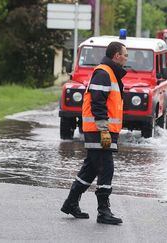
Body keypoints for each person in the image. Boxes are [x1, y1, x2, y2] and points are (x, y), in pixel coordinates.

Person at [61, 41, 128, 225]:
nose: (126, 58)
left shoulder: (109, 73)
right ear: (116, 55)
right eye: (125, 54)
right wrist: (104, 128)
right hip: (99, 131)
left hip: (101, 130)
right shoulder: (104, 73)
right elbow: (97, 102)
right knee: (106, 168)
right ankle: (103, 211)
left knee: (91, 168)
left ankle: (71, 203)